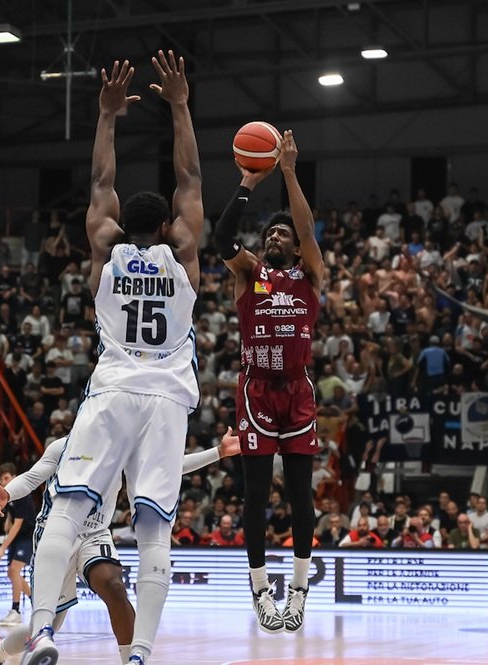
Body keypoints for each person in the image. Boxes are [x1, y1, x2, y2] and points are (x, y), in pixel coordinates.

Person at [15, 51, 203, 665]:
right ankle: (140, 653)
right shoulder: (186, 254)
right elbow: (191, 181)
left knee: (68, 509)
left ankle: (42, 631)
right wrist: (179, 105)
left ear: (124, 223)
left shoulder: (106, 249)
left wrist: (107, 116)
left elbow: (100, 184)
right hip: (168, 397)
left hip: (115, 387)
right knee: (153, 531)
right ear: (172, 227)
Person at [0, 430, 238, 665]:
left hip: (95, 532)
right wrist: (8, 493)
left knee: (113, 585)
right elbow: (34, 476)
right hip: (57, 532)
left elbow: (167, 467)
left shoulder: (122, 449)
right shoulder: (63, 447)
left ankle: (131, 662)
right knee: (46, 624)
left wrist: (218, 452)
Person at [211, 129, 324, 633]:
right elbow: (220, 239)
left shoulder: (310, 274)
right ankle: (260, 590)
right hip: (256, 390)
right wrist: (246, 184)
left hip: (297, 391)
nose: (275, 237)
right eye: (269, 234)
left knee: (302, 497)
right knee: (256, 496)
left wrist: (290, 173)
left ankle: (299, 591)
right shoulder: (249, 274)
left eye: (283, 235)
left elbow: (305, 229)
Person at [0, 462, 36, 625]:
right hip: (18, 538)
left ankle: (16, 610)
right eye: (1, 478)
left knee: (14, 570)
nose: (3, 481)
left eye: (6, 478)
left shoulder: (23, 494)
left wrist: (3, 546)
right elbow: (12, 518)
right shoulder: (8, 495)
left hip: (27, 536)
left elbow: (19, 524)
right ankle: (37, 603)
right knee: (12, 574)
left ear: (14, 477)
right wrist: (7, 520)